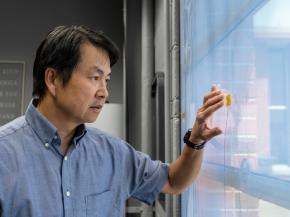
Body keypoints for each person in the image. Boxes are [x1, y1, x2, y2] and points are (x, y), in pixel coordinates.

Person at [0, 25, 224, 217]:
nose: (104, 92)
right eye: (95, 78)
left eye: (106, 80)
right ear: (53, 79)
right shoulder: (5, 154)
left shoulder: (113, 152)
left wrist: (196, 140)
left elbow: (174, 182)